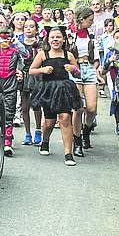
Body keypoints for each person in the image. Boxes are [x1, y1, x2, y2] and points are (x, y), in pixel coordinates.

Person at [29, 26, 82, 166]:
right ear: (48, 39)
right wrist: (43, 70)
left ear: (64, 40)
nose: (55, 40)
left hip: (64, 89)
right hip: (49, 90)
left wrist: (73, 69)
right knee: (49, 122)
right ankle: (45, 140)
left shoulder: (68, 55)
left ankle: (68, 154)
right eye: (52, 37)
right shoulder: (42, 54)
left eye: (58, 37)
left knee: (65, 118)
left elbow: (78, 73)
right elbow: (31, 70)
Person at [0, 25, 28, 156]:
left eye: (7, 38)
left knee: (9, 114)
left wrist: (16, 42)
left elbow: (26, 55)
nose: (4, 42)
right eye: (2, 38)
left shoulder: (16, 51)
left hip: (10, 85)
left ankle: (7, 143)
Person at [68, 6, 99, 156]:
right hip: (75, 69)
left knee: (92, 108)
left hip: (89, 68)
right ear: (82, 19)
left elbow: (96, 54)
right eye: (90, 20)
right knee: (78, 108)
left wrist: (95, 67)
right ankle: (77, 141)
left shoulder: (91, 34)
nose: (92, 23)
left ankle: (86, 131)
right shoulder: (69, 33)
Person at [20, 18, 43, 146]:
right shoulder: (19, 43)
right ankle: (27, 133)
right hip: (23, 74)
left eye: (31, 26)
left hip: (36, 75)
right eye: (26, 27)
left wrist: (35, 49)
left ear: (36, 29)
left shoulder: (40, 44)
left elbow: (39, 60)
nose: (29, 29)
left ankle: (38, 131)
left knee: (37, 105)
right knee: (24, 106)